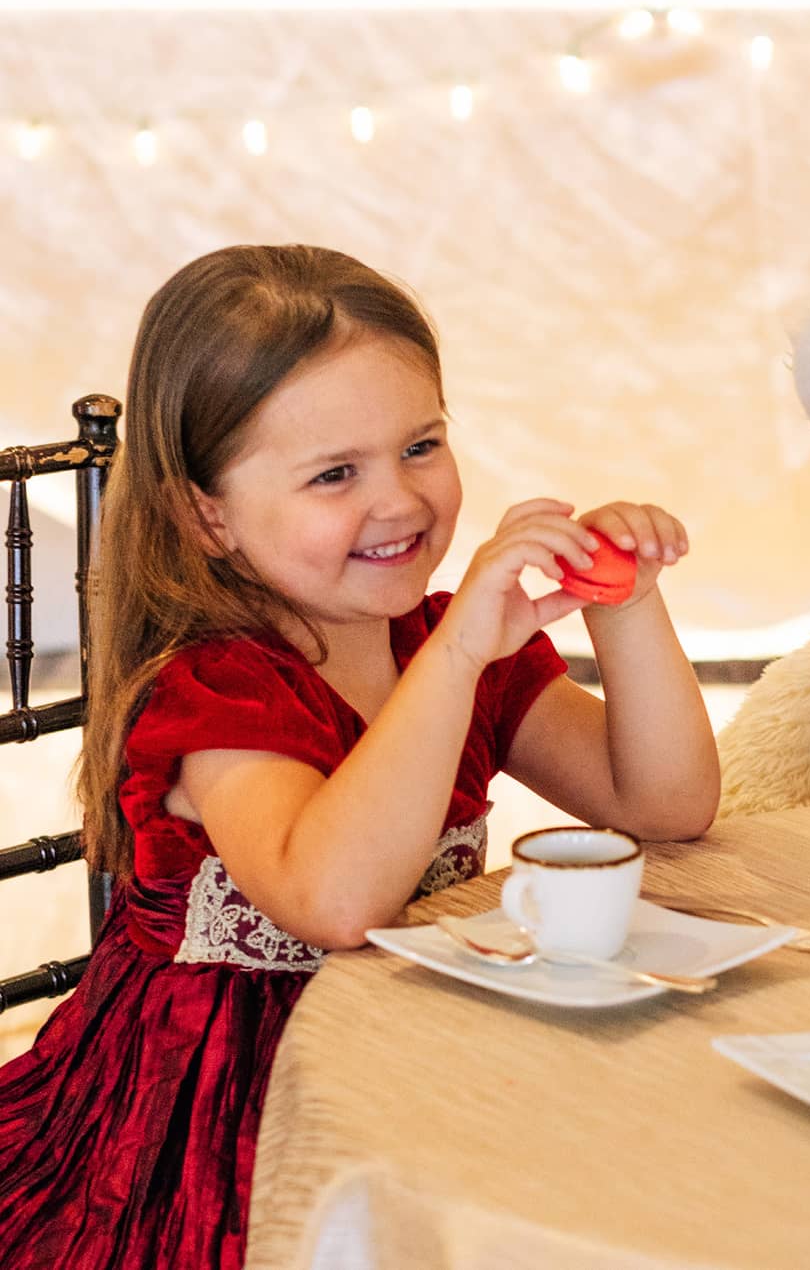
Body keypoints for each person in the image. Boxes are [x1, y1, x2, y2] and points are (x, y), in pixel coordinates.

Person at [0, 244, 719, 1269]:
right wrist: (466, 647)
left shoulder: (443, 648)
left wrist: (630, 604)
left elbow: (662, 804)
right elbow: (333, 901)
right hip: (229, 1118)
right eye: (335, 474)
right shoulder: (220, 688)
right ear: (205, 515)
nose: (400, 502)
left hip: (415, 1055)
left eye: (421, 445)